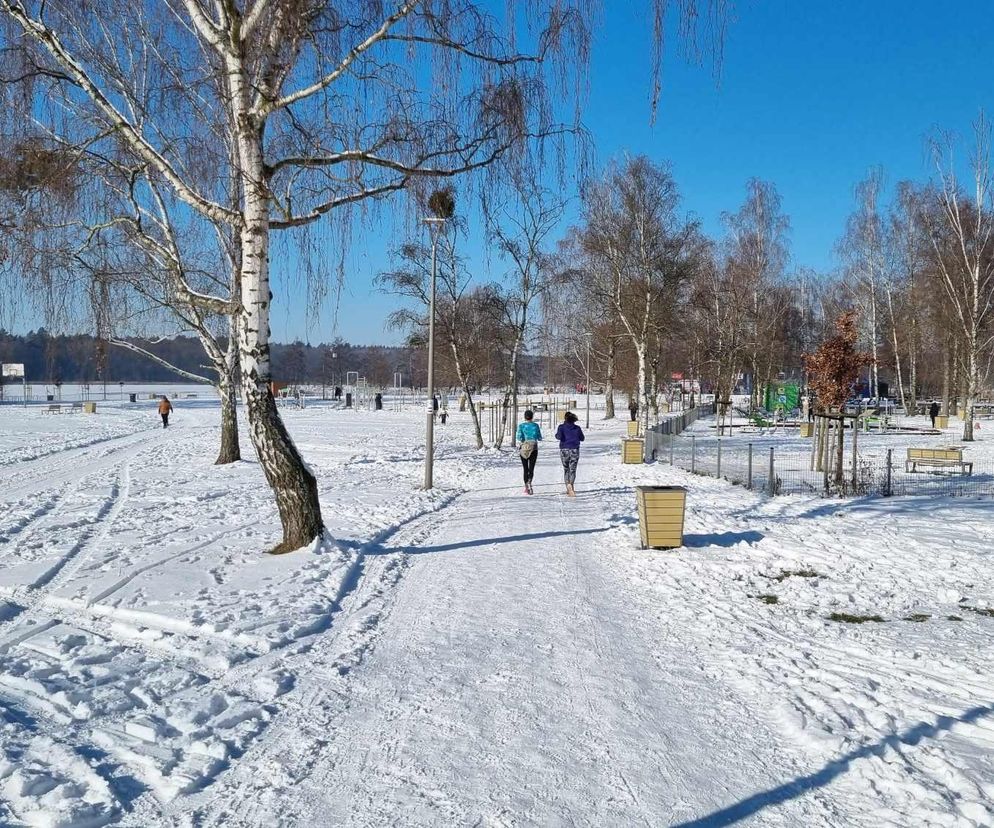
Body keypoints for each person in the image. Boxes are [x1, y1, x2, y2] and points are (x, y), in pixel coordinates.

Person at [554, 410, 585, 497]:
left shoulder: (561, 427)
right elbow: (582, 438)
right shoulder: (577, 428)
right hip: (574, 450)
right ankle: (571, 484)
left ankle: (568, 486)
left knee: (566, 469)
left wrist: (557, 435)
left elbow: (558, 437)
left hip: (564, 450)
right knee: (573, 470)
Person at [515, 409, 543, 494]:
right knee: (531, 468)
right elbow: (539, 437)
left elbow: (519, 437)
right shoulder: (535, 426)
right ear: (532, 417)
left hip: (524, 448)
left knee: (525, 468)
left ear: (525, 417)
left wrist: (524, 438)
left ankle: (526, 486)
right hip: (533, 448)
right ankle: (530, 482)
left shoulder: (521, 426)